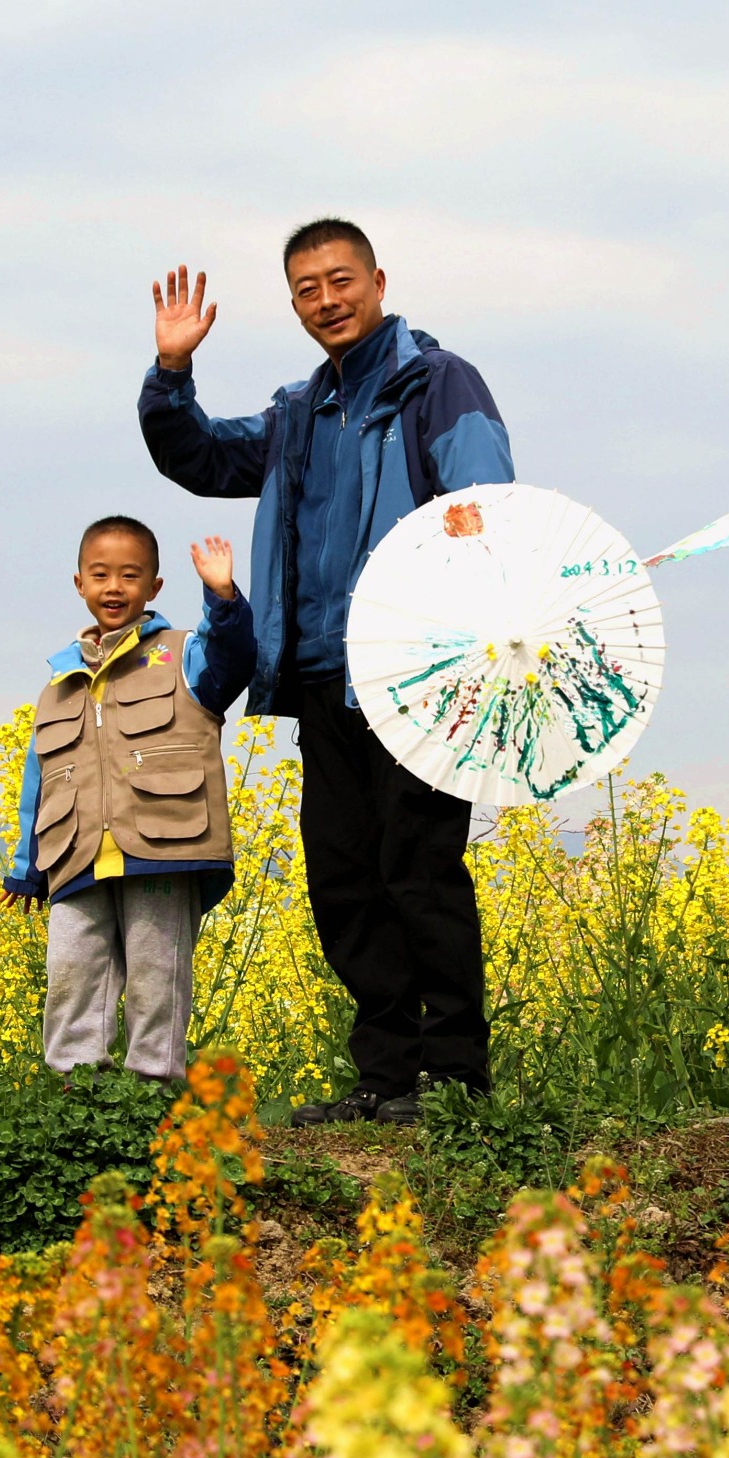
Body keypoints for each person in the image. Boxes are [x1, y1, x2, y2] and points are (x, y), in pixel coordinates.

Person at [139, 220, 514, 1125]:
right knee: (343, 877)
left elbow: (483, 500)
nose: (325, 301)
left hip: (416, 674)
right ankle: (384, 1075)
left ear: (378, 281)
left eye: (339, 281)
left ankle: (455, 1079)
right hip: (320, 678)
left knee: (419, 869)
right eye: (306, 289)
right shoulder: (297, 413)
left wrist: (465, 601)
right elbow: (198, 456)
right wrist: (172, 374)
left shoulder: (437, 382)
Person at [2, 519, 256, 1086]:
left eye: (129, 575)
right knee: (71, 973)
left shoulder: (182, 654)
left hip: (166, 844)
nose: (114, 587)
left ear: (154, 587)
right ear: (79, 584)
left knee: (155, 974)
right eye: (101, 575)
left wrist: (222, 596)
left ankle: (153, 1089)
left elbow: (235, 660)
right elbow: (39, 781)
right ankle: (77, 1091)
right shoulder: (60, 682)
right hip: (76, 853)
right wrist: (25, 869)